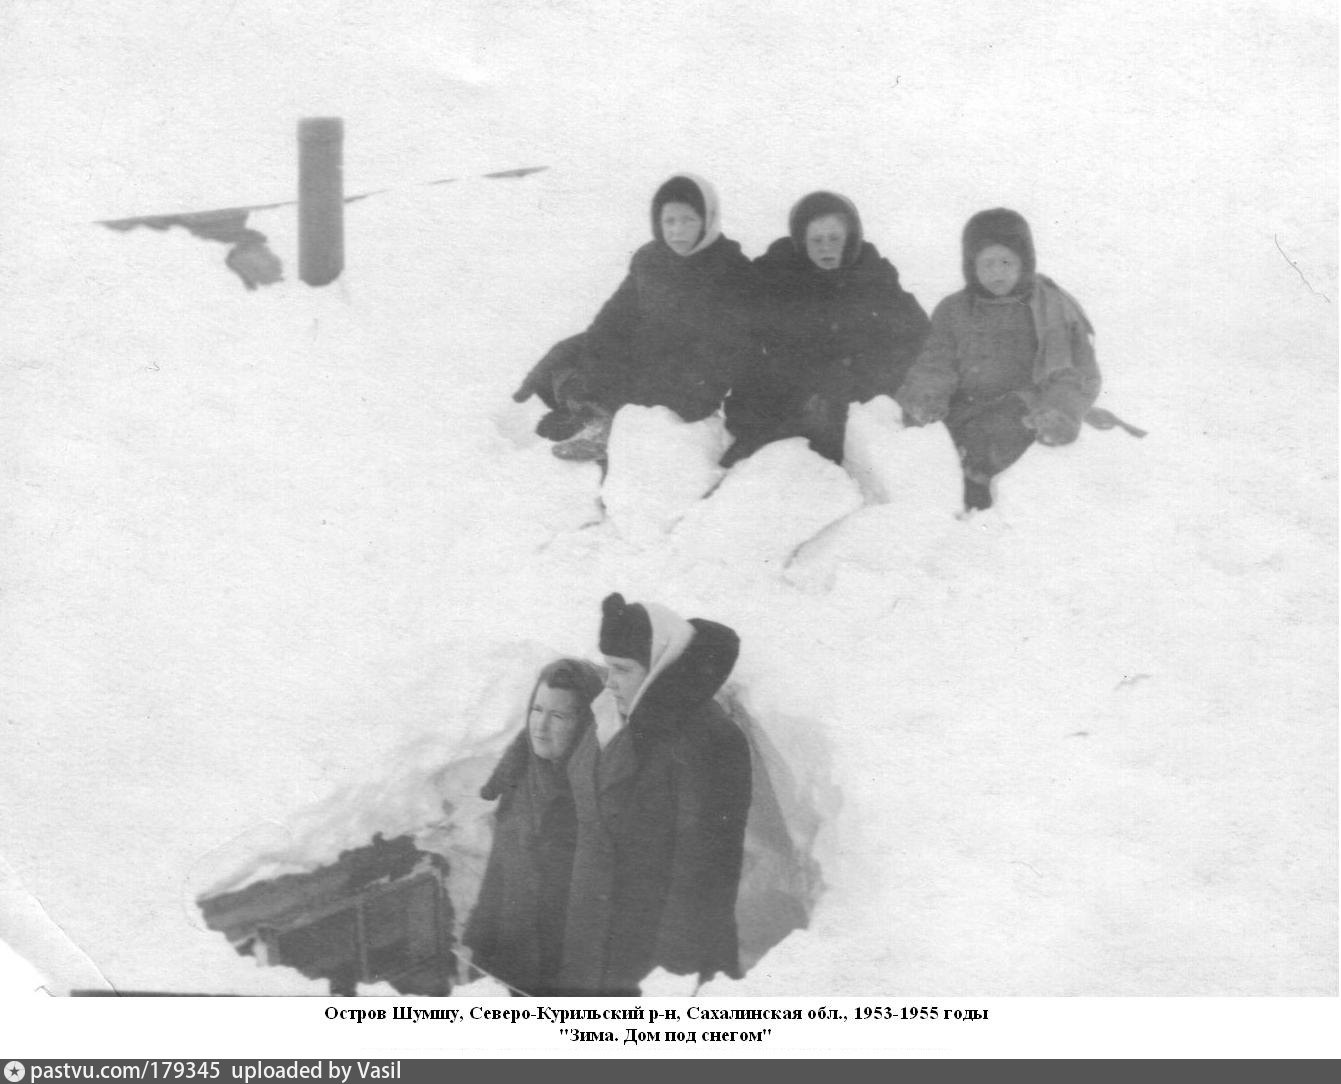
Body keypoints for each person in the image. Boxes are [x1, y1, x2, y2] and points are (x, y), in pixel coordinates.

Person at [559, 593, 752, 995]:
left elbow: (705, 873)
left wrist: (676, 977)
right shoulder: (608, 715)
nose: (609, 681)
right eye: (607, 666)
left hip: (654, 959)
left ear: (660, 665)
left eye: (623, 669)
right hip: (593, 936)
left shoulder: (707, 740)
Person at [512, 174, 758, 462]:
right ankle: (587, 413)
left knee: (643, 383)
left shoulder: (733, 269)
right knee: (566, 355)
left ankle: (606, 426)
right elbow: (615, 316)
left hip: (694, 371)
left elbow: (729, 346)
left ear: (707, 220)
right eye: (669, 221)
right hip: (645, 351)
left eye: (688, 220)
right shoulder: (650, 259)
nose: (677, 231)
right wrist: (594, 357)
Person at [897, 207, 1101, 510]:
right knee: (933, 446)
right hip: (963, 409)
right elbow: (935, 362)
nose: (997, 272)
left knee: (1002, 429)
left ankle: (979, 493)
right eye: (987, 263)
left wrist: (1059, 411)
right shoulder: (954, 310)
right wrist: (927, 396)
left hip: (1022, 409)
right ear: (971, 266)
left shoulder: (1050, 308)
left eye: (1006, 262)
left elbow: (1073, 374)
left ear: (1024, 263)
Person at [723, 191, 929, 465]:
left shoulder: (874, 275)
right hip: (789, 388)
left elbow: (915, 335)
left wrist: (867, 376)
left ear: (850, 238)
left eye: (834, 239)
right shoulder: (776, 273)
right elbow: (744, 332)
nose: (826, 248)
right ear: (801, 241)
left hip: (850, 391)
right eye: (816, 240)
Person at [462, 658, 604, 996]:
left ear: (585, 723)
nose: (540, 727)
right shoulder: (521, 774)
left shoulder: (599, 792)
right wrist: (481, 941)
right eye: (537, 710)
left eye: (558, 716)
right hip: (515, 957)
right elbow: (501, 867)